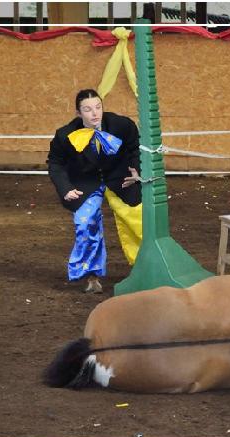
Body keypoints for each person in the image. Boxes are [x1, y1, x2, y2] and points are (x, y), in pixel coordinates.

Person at [47, 89, 143, 293]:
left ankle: (142, 267)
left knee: (138, 220)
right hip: (85, 184)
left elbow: (135, 147)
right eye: (88, 109)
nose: (94, 113)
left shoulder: (122, 125)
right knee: (85, 223)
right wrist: (65, 188)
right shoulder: (64, 135)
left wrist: (136, 171)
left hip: (120, 180)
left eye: (98, 107)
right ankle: (92, 276)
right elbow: (55, 163)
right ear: (78, 113)